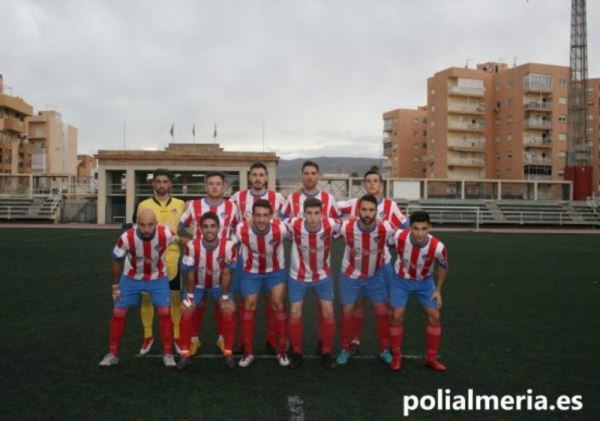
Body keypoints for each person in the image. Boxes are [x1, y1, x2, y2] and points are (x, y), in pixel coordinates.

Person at [337, 170, 408, 355]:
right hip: (357, 264)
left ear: (381, 184)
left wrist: (395, 242)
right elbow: (330, 210)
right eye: (368, 181)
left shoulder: (391, 206)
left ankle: (388, 346)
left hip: (382, 265)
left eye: (375, 181)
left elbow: (405, 229)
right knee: (358, 304)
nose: (372, 184)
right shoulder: (354, 204)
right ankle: (355, 341)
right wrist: (346, 219)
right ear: (364, 183)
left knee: (387, 307)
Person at [99, 209, 179, 368]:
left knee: (164, 312)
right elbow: (116, 260)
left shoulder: (166, 233)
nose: (147, 229)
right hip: (131, 278)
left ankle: (168, 353)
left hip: (158, 278)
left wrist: (195, 244)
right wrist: (115, 286)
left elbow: (179, 239)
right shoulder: (126, 237)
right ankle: (113, 353)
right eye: (142, 225)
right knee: (118, 313)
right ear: (136, 224)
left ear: (156, 223)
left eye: (150, 225)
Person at [281, 160, 340, 354]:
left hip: (323, 268)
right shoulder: (292, 199)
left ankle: (325, 345)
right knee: (296, 311)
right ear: (301, 175)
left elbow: (337, 225)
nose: (309, 176)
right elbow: (282, 224)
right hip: (299, 267)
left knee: (326, 310)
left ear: (318, 176)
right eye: (306, 173)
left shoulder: (329, 199)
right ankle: (296, 350)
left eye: (313, 173)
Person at [179, 171, 239, 355]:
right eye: (211, 183)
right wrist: (189, 242)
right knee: (196, 305)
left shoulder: (232, 207)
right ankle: (194, 340)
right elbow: (180, 226)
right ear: (206, 186)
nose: (214, 187)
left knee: (223, 303)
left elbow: (239, 229)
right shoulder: (195, 205)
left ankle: (223, 339)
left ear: (224, 186)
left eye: (218, 184)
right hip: (198, 265)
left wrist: (231, 246)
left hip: (222, 266)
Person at [230, 162, 285, 355]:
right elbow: (231, 223)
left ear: (266, 178)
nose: (258, 178)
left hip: (273, 260)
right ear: (249, 177)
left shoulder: (277, 198)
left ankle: (272, 340)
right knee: (245, 302)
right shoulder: (238, 197)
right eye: (255, 175)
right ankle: (242, 341)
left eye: (262, 175)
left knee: (274, 302)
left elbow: (286, 223)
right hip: (246, 260)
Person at [336, 194, 396, 366]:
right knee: (347, 310)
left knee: (382, 311)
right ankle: (346, 348)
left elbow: (405, 234)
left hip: (374, 276)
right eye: (364, 210)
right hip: (351, 275)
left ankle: (385, 349)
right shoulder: (346, 227)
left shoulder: (385, 228)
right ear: (358, 211)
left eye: (371, 210)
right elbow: (326, 223)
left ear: (376, 212)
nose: (367, 213)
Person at [388, 211, 448, 372]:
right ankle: (396, 356)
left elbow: (443, 266)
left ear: (429, 227)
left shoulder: (438, 247)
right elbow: (386, 243)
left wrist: (438, 290)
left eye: (423, 228)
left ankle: (431, 358)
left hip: (424, 282)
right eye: (416, 228)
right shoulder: (399, 236)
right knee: (396, 315)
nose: (419, 233)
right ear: (410, 228)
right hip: (400, 280)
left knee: (435, 316)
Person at [136, 169, 187, 357]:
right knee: (147, 298)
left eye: (165, 181)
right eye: (158, 181)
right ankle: (148, 336)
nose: (161, 185)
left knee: (174, 298)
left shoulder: (181, 204)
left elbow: (191, 226)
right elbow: (138, 231)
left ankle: (177, 336)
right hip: (149, 259)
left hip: (173, 260)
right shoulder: (143, 205)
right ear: (153, 184)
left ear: (170, 184)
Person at [177, 212, 237, 369]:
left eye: (212, 226)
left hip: (219, 285)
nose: (209, 230)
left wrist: (224, 297)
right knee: (187, 310)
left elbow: (227, 273)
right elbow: (189, 273)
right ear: (200, 229)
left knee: (228, 309)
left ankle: (228, 352)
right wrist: (189, 297)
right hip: (197, 285)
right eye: (205, 227)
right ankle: (184, 353)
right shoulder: (192, 246)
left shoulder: (229, 246)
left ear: (218, 228)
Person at [285, 198, 339, 369]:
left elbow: (350, 223)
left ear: (322, 214)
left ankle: (326, 352)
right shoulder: (294, 224)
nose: (313, 217)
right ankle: (297, 352)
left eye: (317, 213)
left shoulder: (331, 225)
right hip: (298, 276)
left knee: (329, 312)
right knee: (294, 312)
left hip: (323, 276)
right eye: (309, 213)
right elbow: (274, 223)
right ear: (303, 214)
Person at [235, 199, 290, 367]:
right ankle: (248, 352)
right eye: (257, 215)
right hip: (251, 272)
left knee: (278, 305)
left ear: (271, 216)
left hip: (275, 271)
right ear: (251, 216)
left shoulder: (280, 229)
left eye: (265, 215)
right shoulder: (241, 229)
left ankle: (282, 351)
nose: (261, 219)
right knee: (249, 305)